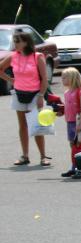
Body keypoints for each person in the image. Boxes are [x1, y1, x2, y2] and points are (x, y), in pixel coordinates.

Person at [0, 31, 51, 167]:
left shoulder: (37, 56)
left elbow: (45, 79)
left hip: (35, 93)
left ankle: (43, 156)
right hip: (19, 93)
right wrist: (11, 79)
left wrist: (41, 95)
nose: (15, 44)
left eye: (17, 41)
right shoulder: (13, 57)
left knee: (36, 125)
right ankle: (25, 156)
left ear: (26, 42)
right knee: (22, 125)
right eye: (14, 41)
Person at [60, 67, 81, 178]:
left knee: (80, 145)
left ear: (72, 78)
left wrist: (80, 124)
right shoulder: (67, 93)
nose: (62, 79)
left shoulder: (80, 92)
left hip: (77, 123)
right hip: (70, 122)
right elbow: (67, 107)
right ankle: (74, 166)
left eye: (64, 77)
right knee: (73, 145)